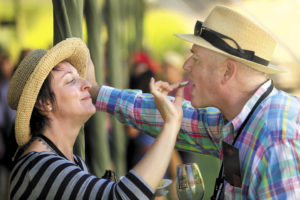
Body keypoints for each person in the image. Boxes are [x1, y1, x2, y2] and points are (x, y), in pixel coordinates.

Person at [89, 5, 300, 199]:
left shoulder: (276, 141)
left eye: (196, 58)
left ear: (227, 72)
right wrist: (96, 92)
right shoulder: (239, 118)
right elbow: (170, 115)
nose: (186, 65)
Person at [7, 38, 184, 199]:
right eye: (70, 81)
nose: (87, 84)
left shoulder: (70, 161)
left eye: (79, 77)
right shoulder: (40, 168)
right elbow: (122, 197)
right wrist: (170, 123)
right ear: (44, 103)